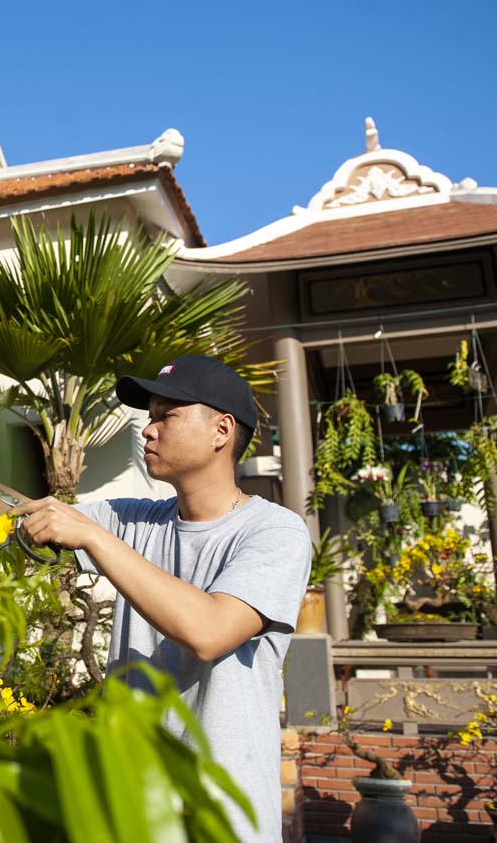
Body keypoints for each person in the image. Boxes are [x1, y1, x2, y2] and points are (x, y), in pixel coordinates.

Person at [15, 354, 312, 843]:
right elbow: (33, 512)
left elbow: (210, 631)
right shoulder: (137, 519)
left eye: (164, 415)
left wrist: (94, 538)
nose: (147, 430)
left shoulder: (275, 531)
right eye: (149, 416)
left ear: (222, 429)